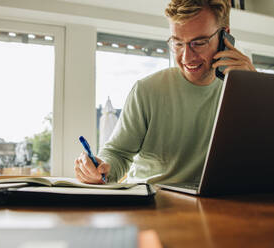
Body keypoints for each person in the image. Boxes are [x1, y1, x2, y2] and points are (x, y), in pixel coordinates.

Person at [74, 0, 256, 184]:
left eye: (199, 43)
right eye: (177, 44)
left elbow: (263, 158)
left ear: (225, 36)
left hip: (214, 206)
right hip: (151, 203)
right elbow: (118, 153)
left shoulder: (243, 91)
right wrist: (100, 168)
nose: (186, 57)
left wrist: (255, 92)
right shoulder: (146, 90)